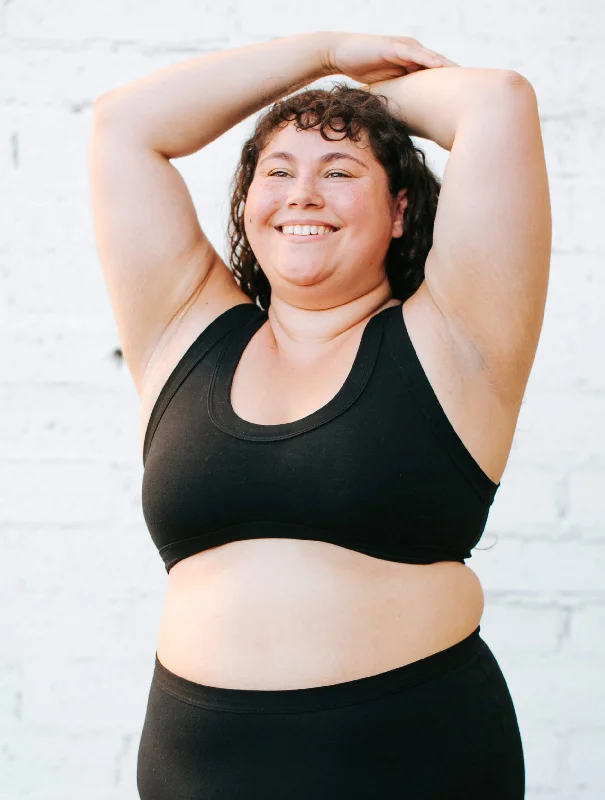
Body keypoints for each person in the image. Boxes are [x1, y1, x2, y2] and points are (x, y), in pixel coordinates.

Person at [89, 30, 551, 799]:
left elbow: (497, 101)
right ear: (248, 204)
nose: (303, 194)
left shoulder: (457, 337)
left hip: (411, 763)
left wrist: (358, 99)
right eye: (279, 171)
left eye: (339, 171)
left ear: (400, 211)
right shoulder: (182, 331)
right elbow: (124, 125)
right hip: (198, 772)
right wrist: (326, 54)